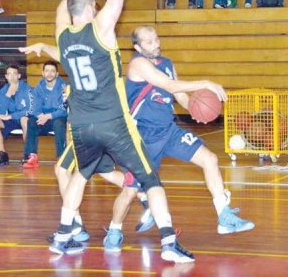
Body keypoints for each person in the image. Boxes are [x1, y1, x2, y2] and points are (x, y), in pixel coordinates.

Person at [23, 0, 193, 263]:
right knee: (150, 179)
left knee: (79, 176)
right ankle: (168, 242)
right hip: (115, 122)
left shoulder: (62, 34)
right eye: (93, 2)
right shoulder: (101, 29)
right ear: (90, 7)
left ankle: (64, 233)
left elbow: (64, 5)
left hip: (81, 124)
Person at [102, 26, 254, 251]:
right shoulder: (137, 64)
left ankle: (224, 216)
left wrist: (196, 109)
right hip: (143, 137)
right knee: (131, 190)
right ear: (138, 47)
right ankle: (114, 230)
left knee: (210, 159)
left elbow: (179, 94)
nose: (156, 44)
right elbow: (168, 85)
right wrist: (206, 83)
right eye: (149, 42)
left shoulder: (167, 63)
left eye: (156, 39)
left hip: (169, 131)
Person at [22, 60, 67, 168]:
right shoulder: (39, 87)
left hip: (58, 117)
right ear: (43, 73)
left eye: (52, 71)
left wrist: (48, 116)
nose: (49, 73)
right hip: (44, 118)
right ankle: (32, 156)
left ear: (57, 74)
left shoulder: (64, 87)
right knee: (32, 122)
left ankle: (61, 157)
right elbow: (35, 107)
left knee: (59, 124)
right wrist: (41, 116)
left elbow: (63, 109)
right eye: (47, 71)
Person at [0, 64, 32, 167]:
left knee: (25, 120)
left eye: (14, 74)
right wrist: (7, 95)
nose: (12, 77)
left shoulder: (26, 88)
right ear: (6, 76)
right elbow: (0, 112)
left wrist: (11, 116)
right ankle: (2, 154)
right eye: (9, 74)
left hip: (23, 117)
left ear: (19, 76)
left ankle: (28, 155)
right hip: (11, 120)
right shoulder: (3, 90)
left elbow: (30, 110)